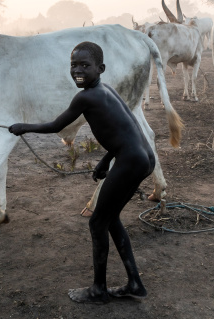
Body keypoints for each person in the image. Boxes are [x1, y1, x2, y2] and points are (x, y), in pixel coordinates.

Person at [9, 41, 154, 304]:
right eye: (73, 65)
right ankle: (134, 282)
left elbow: (56, 126)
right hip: (141, 156)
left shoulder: (85, 96)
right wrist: (106, 160)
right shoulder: (105, 90)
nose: (78, 70)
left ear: (100, 68)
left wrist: (23, 127)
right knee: (109, 219)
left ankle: (99, 289)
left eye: (85, 66)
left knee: (97, 222)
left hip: (131, 160)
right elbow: (127, 130)